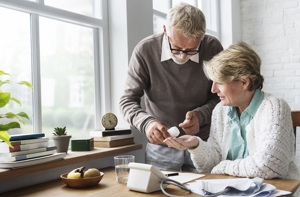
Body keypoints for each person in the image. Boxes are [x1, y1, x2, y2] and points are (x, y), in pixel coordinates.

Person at [164, 42, 299, 180]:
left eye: (220, 82)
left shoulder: (274, 107)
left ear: (244, 82)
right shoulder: (220, 111)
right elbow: (211, 165)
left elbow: (270, 166)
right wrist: (196, 145)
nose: (213, 89)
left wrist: (223, 167)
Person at [119, 3, 223, 172]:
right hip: (161, 149)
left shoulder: (212, 48)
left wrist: (200, 116)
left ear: (202, 37)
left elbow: (221, 97)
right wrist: (147, 124)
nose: (183, 56)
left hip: (204, 145)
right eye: (176, 48)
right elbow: (127, 101)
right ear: (165, 30)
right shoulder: (145, 50)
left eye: (191, 50)